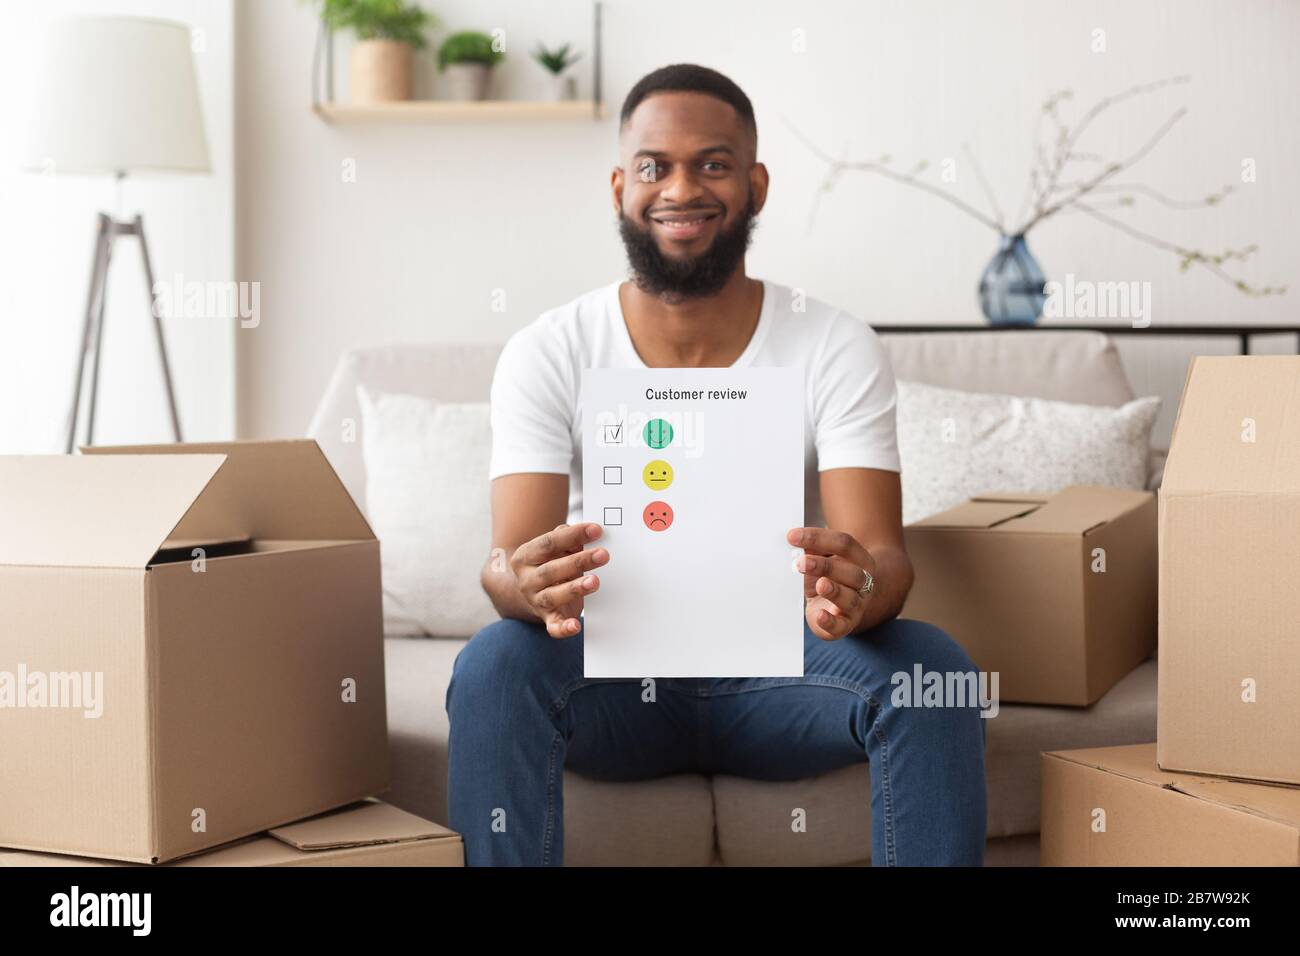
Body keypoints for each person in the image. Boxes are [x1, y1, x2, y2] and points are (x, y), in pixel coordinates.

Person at [446, 63, 987, 866]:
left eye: (713, 163)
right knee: (493, 664)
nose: (680, 188)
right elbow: (507, 564)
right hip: (613, 681)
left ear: (756, 184)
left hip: (785, 674)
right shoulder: (549, 349)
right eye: (654, 166)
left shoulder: (834, 343)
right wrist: (523, 584)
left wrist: (857, 590)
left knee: (933, 668)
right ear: (619, 185)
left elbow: (884, 558)